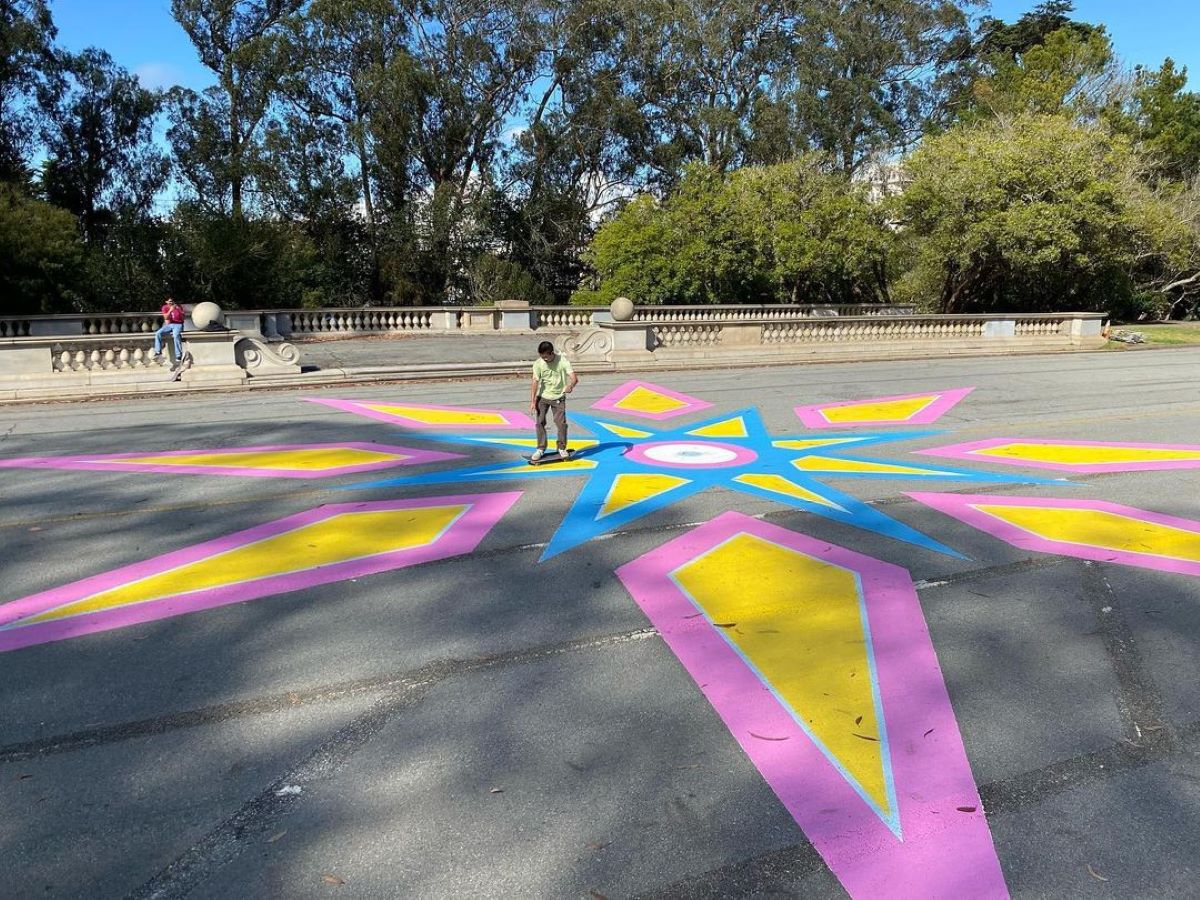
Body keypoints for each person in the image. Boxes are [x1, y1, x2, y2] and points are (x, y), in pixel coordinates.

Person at [529, 340, 578, 461]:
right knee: (539, 422)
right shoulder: (538, 364)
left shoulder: (562, 361)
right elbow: (535, 382)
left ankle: (561, 448)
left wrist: (570, 386)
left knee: (561, 424)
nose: (544, 360)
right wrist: (533, 401)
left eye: (546, 357)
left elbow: (574, 378)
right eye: (542, 357)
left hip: (558, 398)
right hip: (543, 398)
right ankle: (540, 448)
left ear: (552, 353)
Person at [152, 297, 186, 367]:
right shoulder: (165, 307)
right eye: (170, 301)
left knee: (176, 335)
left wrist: (179, 310)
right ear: (166, 302)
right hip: (170, 325)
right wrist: (170, 310)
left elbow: (182, 318)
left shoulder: (178, 307)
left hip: (178, 324)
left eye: (172, 301)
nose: (171, 303)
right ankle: (158, 351)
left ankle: (178, 355)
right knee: (158, 333)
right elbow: (166, 318)